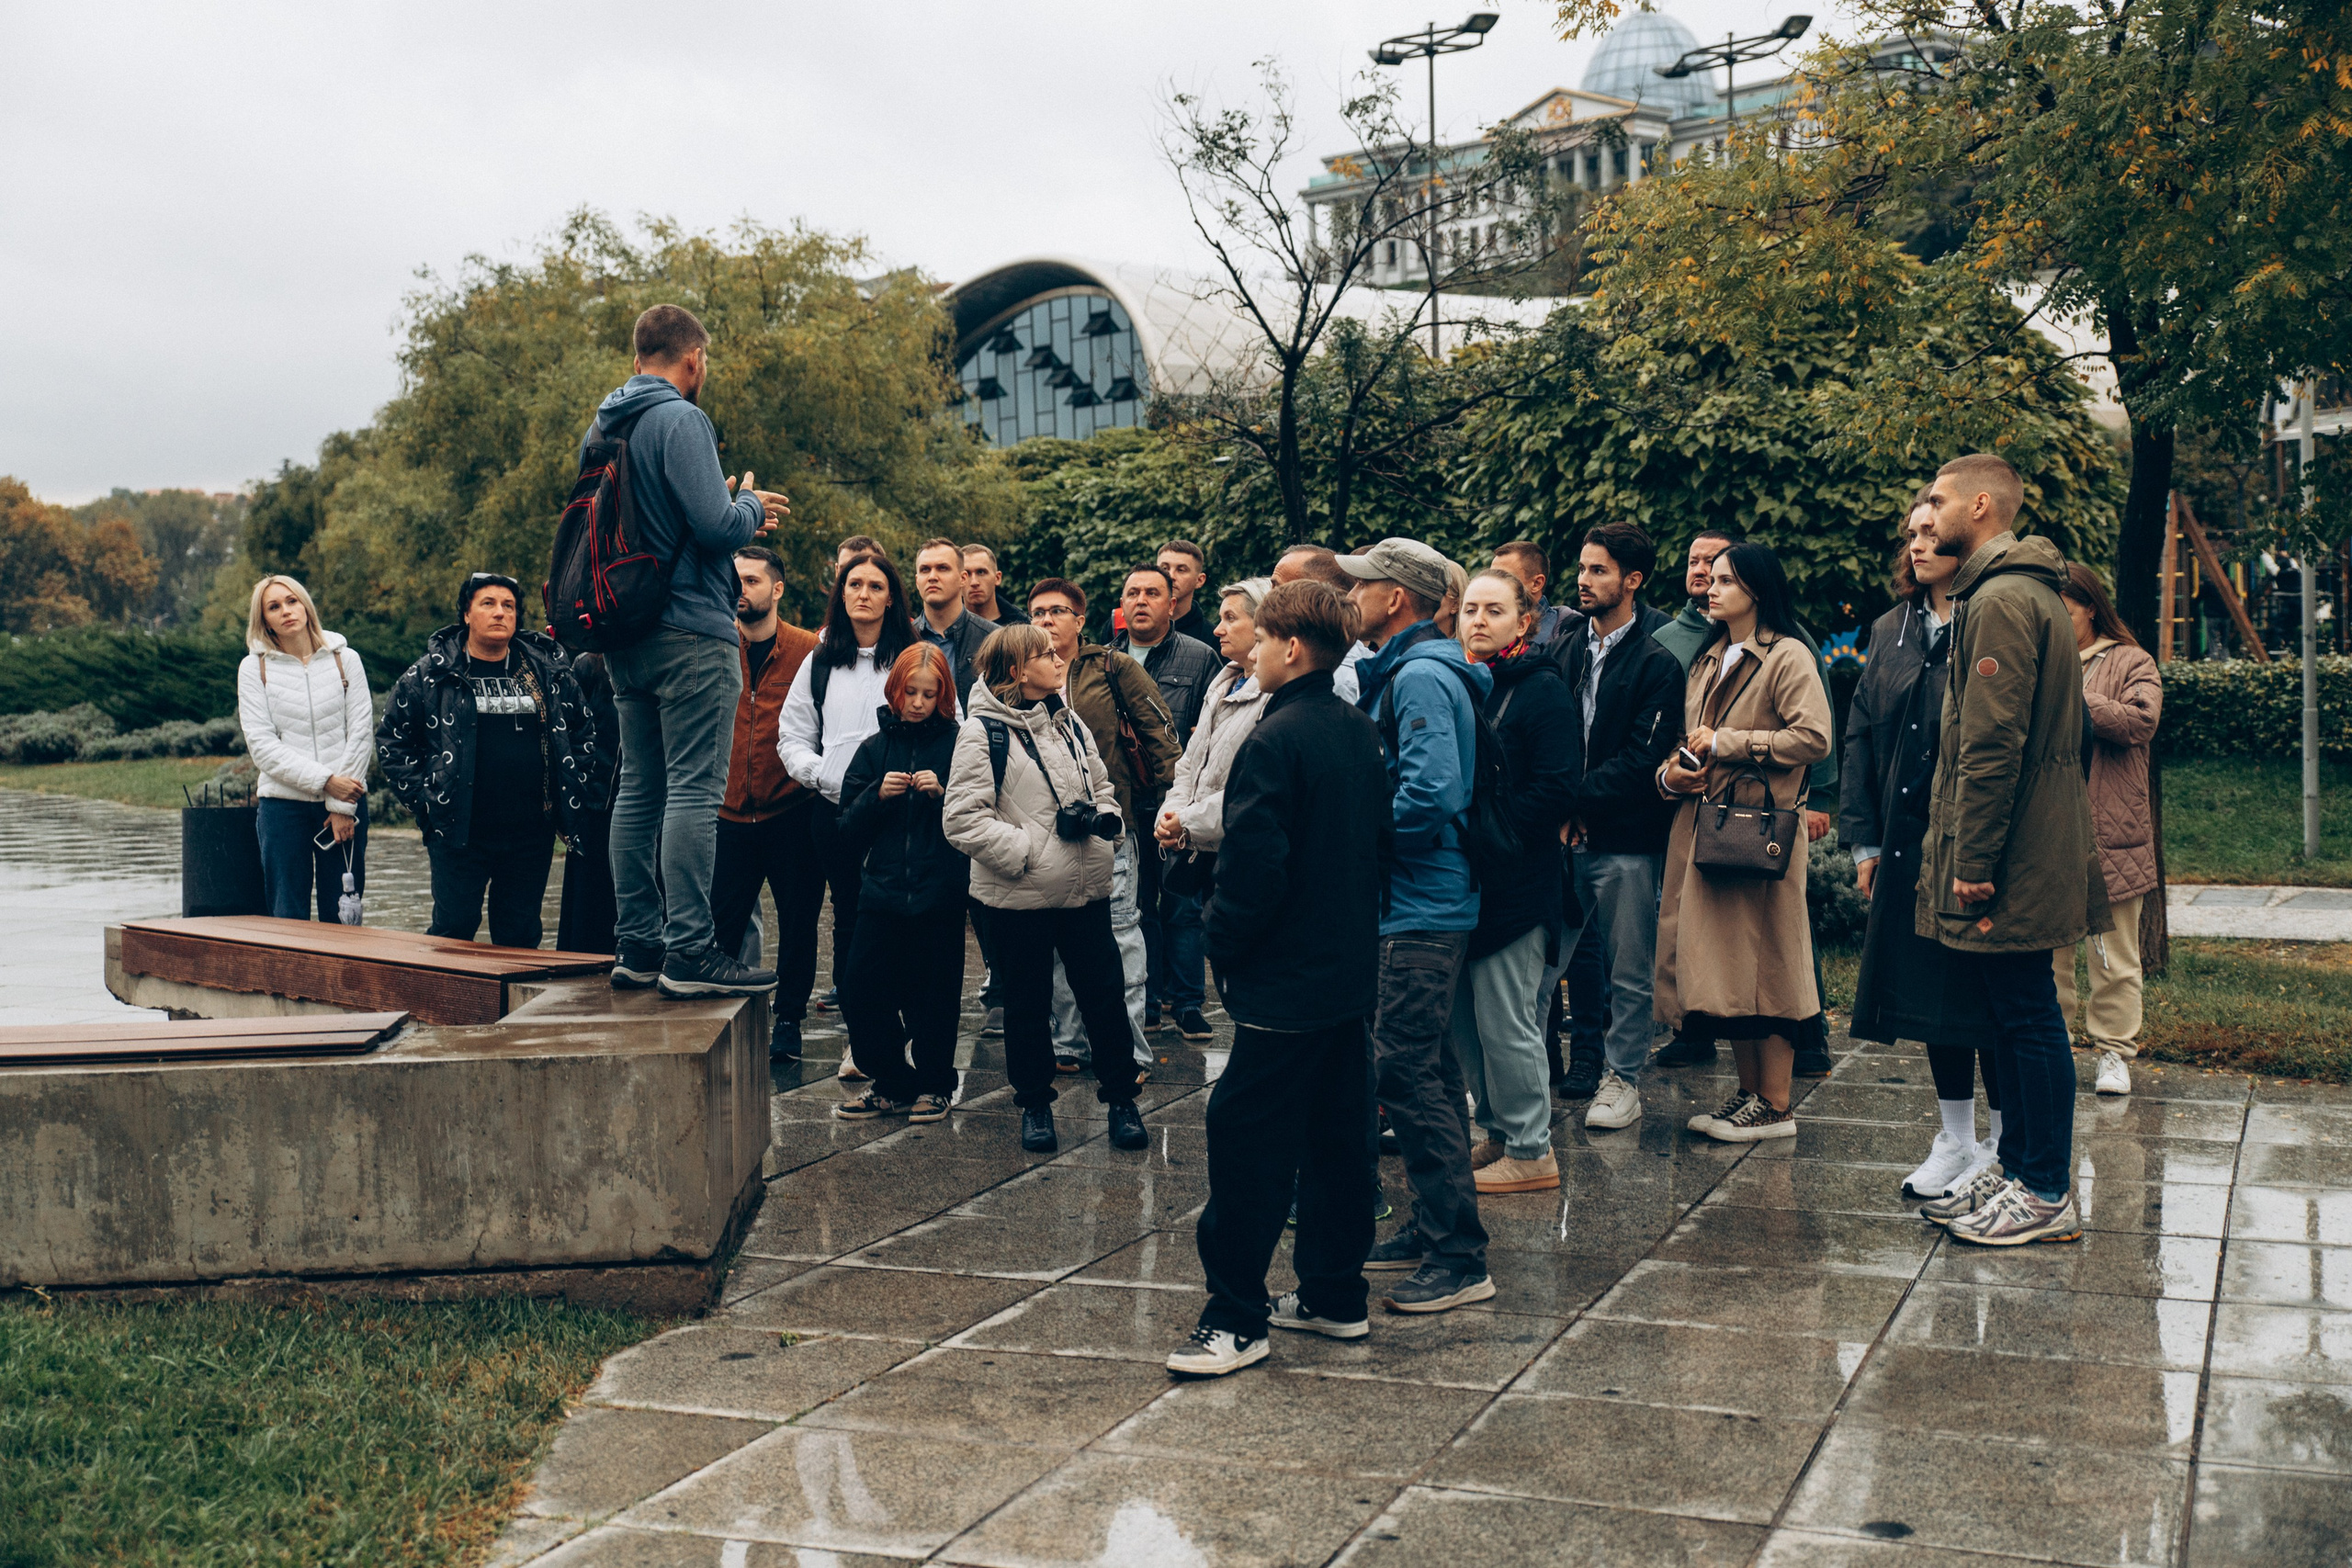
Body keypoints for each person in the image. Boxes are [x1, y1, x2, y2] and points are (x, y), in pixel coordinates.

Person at [1168, 581, 1392, 1377]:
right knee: (1338, 1137)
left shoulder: (1274, 737)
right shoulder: (1358, 728)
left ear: (1292, 648)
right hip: (1345, 973)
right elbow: (1377, 847)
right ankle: (1334, 1294)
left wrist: (1223, 946)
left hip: (1284, 979)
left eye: (1261, 639)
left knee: (1248, 1142)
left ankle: (1235, 1316)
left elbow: (1255, 866)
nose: (1254, 651)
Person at [1913, 454, 2108, 1247]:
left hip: (2016, 842)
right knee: (2013, 1010)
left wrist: (1974, 858)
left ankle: (2046, 1187)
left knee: (2027, 1015)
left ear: (1980, 506)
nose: (1927, 514)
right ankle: (2022, 1168)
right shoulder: (2016, 590)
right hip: (2028, 833)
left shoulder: (1999, 598)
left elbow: (1991, 744)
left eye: (1938, 500)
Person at [590, 304, 788, 998]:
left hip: (625, 630)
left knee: (639, 790)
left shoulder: (604, 425)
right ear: (693, 359)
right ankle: (690, 952)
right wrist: (750, 506)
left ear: (636, 357)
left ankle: (636, 945)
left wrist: (720, 507)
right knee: (694, 793)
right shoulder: (681, 419)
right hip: (690, 631)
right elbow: (716, 528)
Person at [1339, 536, 1495, 1315]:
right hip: (1418, 900)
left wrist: (1359, 845)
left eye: (1361, 586)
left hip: (1420, 904)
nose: (1351, 597)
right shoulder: (1414, 669)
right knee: (1426, 1067)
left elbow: (1430, 793)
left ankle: (1459, 1255)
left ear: (1396, 596)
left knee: (1406, 1070)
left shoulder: (1422, 676)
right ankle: (1436, 1225)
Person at [1844, 496, 2004, 1198]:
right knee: (1932, 996)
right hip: (1906, 841)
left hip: (1974, 839)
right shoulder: (1892, 627)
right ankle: (1955, 1139)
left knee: (1983, 996)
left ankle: (2002, 1145)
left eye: (1931, 532)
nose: (1918, 544)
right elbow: (1860, 731)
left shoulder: (1991, 616)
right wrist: (1864, 842)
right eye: (1911, 533)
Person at [942, 624, 1150, 1155]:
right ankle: (1035, 1105)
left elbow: (1101, 786)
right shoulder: (982, 733)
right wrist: (1027, 853)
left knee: (1105, 999)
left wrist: (1105, 822)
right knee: (1027, 1006)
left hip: (1085, 891)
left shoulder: (1068, 720)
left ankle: (1122, 1100)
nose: (1059, 660)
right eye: (1046, 654)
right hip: (1019, 898)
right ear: (1016, 671)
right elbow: (961, 819)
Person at [1655, 543, 1834, 1143]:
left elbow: (1814, 738)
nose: (1711, 587)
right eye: (1711, 579)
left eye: (1726, 580)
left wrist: (1731, 742)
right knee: (1728, 971)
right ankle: (1752, 1092)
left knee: (1769, 966)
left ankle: (1776, 1103)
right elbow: (1690, 738)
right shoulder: (1709, 657)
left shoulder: (1787, 654)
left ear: (1757, 589)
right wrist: (1671, 774)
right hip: (1709, 828)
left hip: (1760, 833)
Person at [378, 573, 608, 949]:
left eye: (509, 606)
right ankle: (446, 991)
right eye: (488, 604)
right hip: (459, 831)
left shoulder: (546, 671)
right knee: (453, 932)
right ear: (466, 614)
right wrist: (426, 801)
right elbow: (393, 739)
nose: (500, 613)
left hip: (530, 832)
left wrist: (569, 794)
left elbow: (583, 731)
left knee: (520, 939)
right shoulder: (432, 674)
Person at [1452, 569, 1578, 1194]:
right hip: (1469, 881)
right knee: (1468, 1022)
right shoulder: (1464, 681)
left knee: (1508, 1021)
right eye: (1470, 608)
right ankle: (1498, 1131)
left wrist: (1486, 832)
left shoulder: (1542, 689)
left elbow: (1557, 786)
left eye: (1494, 610)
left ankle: (1532, 1149)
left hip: (1520, 882)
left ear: (1525, 621)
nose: (1478, 620)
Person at [1555, 524, 1685, 1127]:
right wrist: (1561, 808)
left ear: (1633, 580)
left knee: (1629, 970)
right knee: (1538, 966)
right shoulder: (1563, 648)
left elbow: (1642, 760)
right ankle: (1520, 1078)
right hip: (1560, 837)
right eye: (1583, 568)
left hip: (1626, 839)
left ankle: (1623, 1079)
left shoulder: (1658, 662)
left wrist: (1574, 803)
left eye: (1599, 570)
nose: (1584, 580)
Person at [1028, 576, 1182, 1077]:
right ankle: (1069, 1043)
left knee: (1120, 933)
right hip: (1045, 832)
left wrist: (1173, 805)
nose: (1046, 620)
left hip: (1111, 826)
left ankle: (1130, 1050)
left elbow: (1160, 736)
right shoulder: (1021, 672)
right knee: (1058, 940)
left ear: (1080, 620)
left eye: (1057, 611)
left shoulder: (1111, 667)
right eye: (1037, 613)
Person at [778, 551, 914, 1050]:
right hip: (835, 811)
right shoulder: (819, 660)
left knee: (899, 919)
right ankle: (862, 1039)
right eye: (854, 584)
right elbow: (792, 734)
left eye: (876, 586)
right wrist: (821, 774)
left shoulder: (911, 656)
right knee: (849, 919)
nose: (863, 594)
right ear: (841, 593)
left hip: (900, 810)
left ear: (891, 598)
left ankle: (905, 1027)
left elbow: (950, 723)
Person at [833, 643, 969, 1123]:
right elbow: (844, 830)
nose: (917, 703)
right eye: (910, 692)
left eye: (928, 695)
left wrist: (943, 795)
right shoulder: (873, 749)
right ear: (895, 690)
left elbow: (979, 815)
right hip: (881, 892)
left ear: (943, 696)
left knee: (934, 995)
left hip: (940, 892)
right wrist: (877, 795)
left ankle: (935, 1085)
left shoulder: (960, 744)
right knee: (859, 989)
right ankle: (892, 1081)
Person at [709, 546, 825, 1059]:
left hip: (791, 810)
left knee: (799, 924)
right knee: (719, 926)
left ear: (776, 589)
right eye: (734, 579)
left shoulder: (809, 651)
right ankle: (717, 1019)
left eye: (752, 580)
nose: (740, 589)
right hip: (727, 811)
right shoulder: (714, 643)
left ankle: (790, 1021)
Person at [2052, 564, 2162, 1099]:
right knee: (2046, 953)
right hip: (2048, 829)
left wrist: (2071, 694)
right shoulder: (2036, 658)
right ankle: (2049, 1047)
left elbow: (2141, 722)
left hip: (2112, 833)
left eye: (2065, 610)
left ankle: (2114, 1053)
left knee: (2114, 956)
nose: (2056, 621)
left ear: (2092, 608)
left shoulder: (2131, 660)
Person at [1114, 564, 1222, 1041]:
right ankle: (1150, 1001)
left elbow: (1211, 729)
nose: (1141, 601)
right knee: (1136, 908)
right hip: (1124, 803)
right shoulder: (1105, 659)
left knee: (1182, 904)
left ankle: (1189, 1003)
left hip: (1176, 801)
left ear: (1172, 604)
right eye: (1133, 593)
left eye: (1152, 593)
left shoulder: (1200, 657)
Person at [237, 574, 374, 922]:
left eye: (292, 601)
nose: (286, 611)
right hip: (283, 809)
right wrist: (327, 781)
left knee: (343, 917)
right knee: (287, 917)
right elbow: (262, 746)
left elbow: (360, 732)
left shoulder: (346, 659)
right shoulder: (254, 668)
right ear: (264, 619)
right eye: (274, 607)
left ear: (305, 605)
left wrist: (342, 804)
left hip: (344, 805)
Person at [1153, 576, 1273, 919]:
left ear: (1264, 623)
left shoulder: (1275, 694)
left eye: (1230, 618)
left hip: (1244, 856)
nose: (1218, 630)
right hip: (1201, 851)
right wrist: (1170, 815)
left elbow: (1251, 787)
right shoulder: (1222, 685)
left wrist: (1185, 822)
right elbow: (1188, 765)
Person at [555, 649, 619, 954]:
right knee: (586, 912)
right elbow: (566, 736)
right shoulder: (589, 665)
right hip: (595, 807)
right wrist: (567, 805)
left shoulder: (659, 661)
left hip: (648, 809)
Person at [1272, 545, 1368, 703]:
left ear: (1319, 597)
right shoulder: (1309, 665)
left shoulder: (1339, 680)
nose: (1268, 597)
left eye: (1278, 588)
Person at [910, 536, 997, 705]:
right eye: (925, 570)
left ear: (963, 579)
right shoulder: (902, 639)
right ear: (917, 581)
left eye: (942, 568)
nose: (932, 577)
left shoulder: (993, 639)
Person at [1490, 541, 1577, 648]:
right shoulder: (1483, 624)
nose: (1492, 585)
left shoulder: (1568, 631)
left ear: (1537, 583)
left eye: (1504, 577)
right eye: (1491, 577)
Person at [1157, 540, 1214, 645]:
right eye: (1164, 568)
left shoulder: (1213, 639)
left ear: (1199, 580)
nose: (1171, 576)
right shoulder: (1131, 626)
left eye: (1181, 570)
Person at [962, 545, 1028, 626]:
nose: (974, 582)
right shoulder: (948, 626)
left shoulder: (1022, 625)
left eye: (981, 572)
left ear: (997, 578)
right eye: (966, 574)